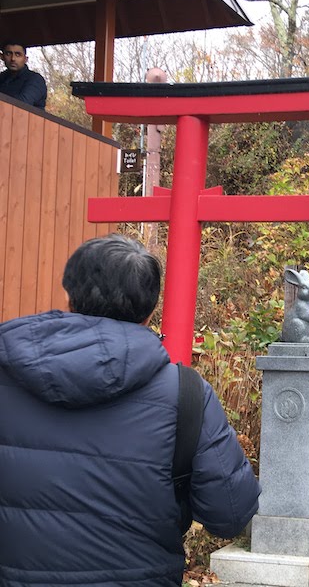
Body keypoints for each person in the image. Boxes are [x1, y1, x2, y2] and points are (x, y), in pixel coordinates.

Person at [0, 234, 261, 586]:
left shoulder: (7, 372)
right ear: (151, 310)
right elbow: (230, 513)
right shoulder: (185, 394)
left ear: (68, 296)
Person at [0, 40, 47, 109]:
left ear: (25, 59)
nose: (13, 59)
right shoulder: (1, 78)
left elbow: (22, 104)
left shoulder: (35, 79)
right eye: (8, 54)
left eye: (18, 54)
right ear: (2, 57)